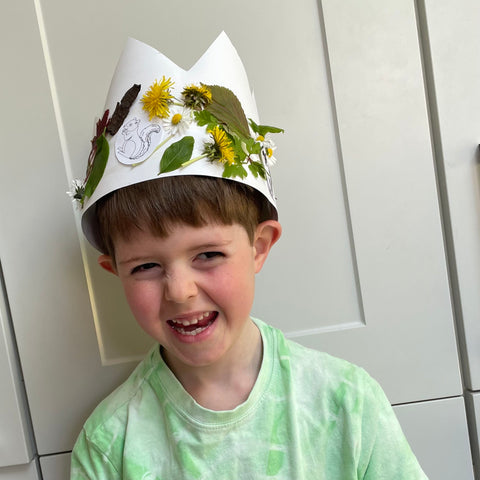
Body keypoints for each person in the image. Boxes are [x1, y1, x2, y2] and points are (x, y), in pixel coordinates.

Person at [69, 33, 428, 479]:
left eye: (208, 255)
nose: (180, 292)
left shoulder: (346, 404)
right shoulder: (110, 443)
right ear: (114, 270)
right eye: (146, 266)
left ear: (260, 246)